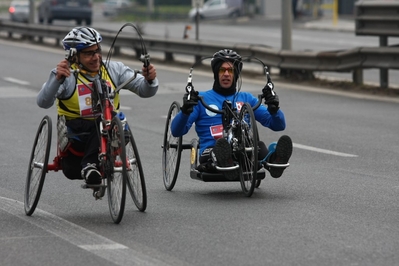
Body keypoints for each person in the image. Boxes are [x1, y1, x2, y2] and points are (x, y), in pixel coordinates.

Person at [37, 27, 158, 185]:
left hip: (108, 128)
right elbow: (43, 102)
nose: (96, 57)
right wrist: (56, 80)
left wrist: (150, 80)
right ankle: (89, 166)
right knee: (100, 124)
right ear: (75, 56)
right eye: (88, 53)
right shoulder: (64, 74)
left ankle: (92, 166)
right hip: (76, 133)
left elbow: (145, 91)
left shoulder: (114, 69)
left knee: (114, 122)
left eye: (97, 51)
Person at [171, 49, 292, 180]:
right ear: (216, 73)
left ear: (236, 74)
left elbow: (279, 125)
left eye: (231, 70)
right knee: (219, 148)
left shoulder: (247, 99)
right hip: (212, 150)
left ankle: (275, 161)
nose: (226, 74)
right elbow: (176, 131)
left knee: (260, 146)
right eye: (222, 70)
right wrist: (185, 111)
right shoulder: (201, 100)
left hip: (244, 151)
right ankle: (225, 161)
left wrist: (274, 110)